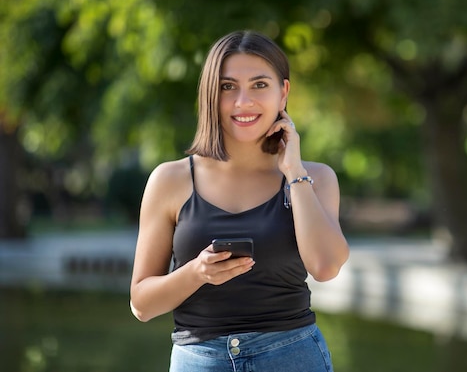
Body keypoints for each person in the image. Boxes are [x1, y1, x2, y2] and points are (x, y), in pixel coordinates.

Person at [129, 30, 350, 372]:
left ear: (283, 93)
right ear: (210, 96)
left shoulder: (315, 178)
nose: (243, 102)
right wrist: (197, 273)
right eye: (227, 87)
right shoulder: (169, 180)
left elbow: (325, 267)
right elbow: (142, 304)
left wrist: (293, 171)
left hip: (293, 357)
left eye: (259, 85)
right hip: (198, 361)